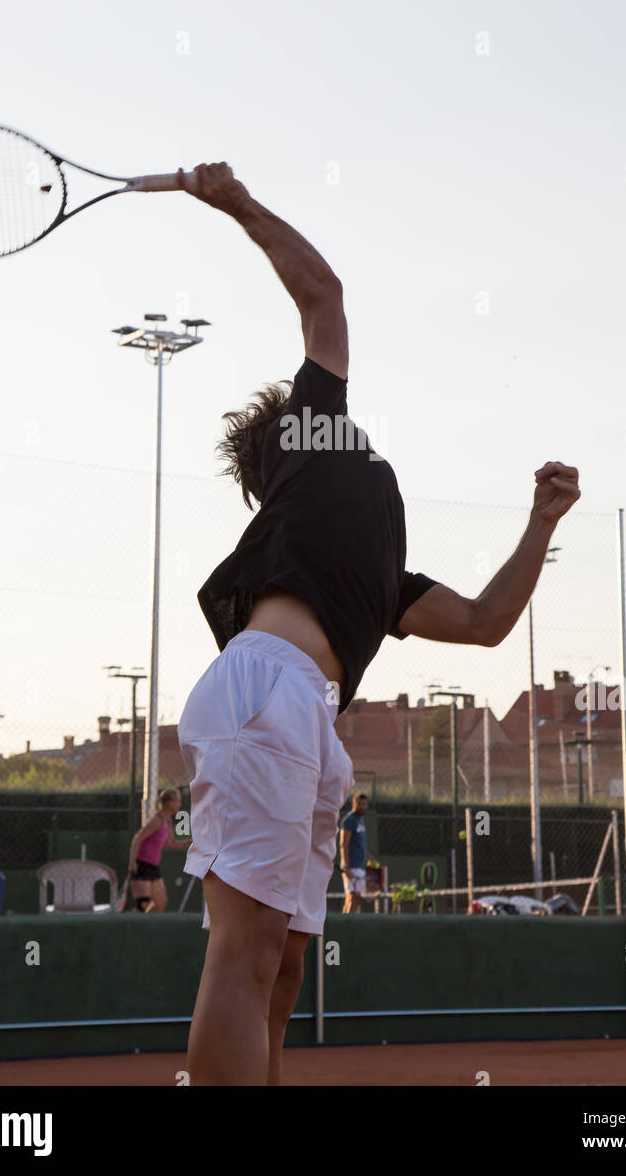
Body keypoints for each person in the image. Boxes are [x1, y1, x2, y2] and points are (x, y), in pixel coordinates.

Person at [175, 162, 581, 1086]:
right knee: (241, 959)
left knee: (279, 970)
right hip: (264, 691)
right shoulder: (311, 435)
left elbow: (483, 623)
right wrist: (237, 204)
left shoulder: (369, 570)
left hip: (303, 716)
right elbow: (323, 291)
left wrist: (539, 526)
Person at [126, 787, 185, 913]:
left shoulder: (168, 822)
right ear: (169, 802)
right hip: (141, 864)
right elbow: (138, 838)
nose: (179, 804)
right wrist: (132, 862)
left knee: (161, 904)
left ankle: (142, 926)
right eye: (177, 801)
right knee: (143, 905)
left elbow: (171, 844)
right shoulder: (156, 820)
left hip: (153, 867)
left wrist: (192, 842)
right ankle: (134, 923)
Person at [340, 793, 369, 913]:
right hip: (352, 866)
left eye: (364, 804)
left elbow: (361, 846)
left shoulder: (360, 821)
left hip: (361, 866)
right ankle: (346, 927)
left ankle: (348, 926)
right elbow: (343, 844)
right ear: (354, 804)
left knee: (357, 899)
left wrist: (373, 862)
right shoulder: (349, 820)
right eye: (359, 804)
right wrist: (347, 867)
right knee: (352, 897)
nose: (362, 806)